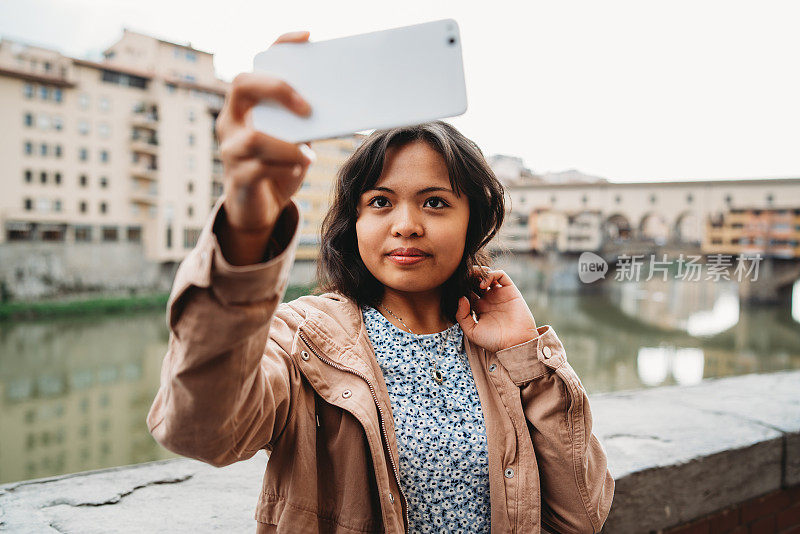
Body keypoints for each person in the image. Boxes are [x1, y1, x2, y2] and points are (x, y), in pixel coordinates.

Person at [147, 30, 614, 534]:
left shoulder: (497, 343)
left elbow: (581, 517)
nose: (406, 224)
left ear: (471, 224)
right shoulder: (306, 338)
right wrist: (246, 227)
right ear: (354, 222)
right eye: (380, 202)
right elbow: (202, 432)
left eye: (435, 202)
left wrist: (527, 356)